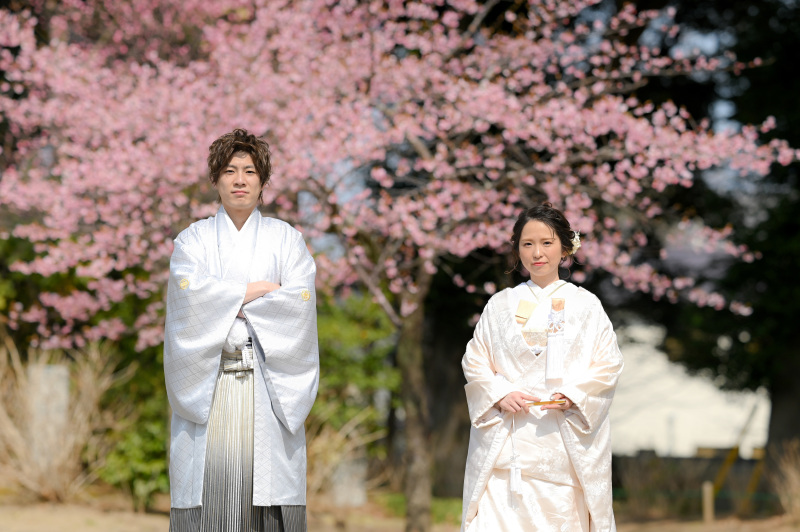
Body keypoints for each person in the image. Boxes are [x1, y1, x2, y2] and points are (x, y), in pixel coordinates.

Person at [164, 129, 319, 532]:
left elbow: (297, 304)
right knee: (212, 482)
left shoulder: (287, 240)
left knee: (265, 490)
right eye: (229, 171)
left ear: (263, 182)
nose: (239, 180)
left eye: (250, 171)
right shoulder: (192, 241)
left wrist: (225, 303)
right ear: (215, 179)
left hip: (269, 387)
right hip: (209, 386)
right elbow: (188, 300)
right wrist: (257, 291)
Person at [460, 203, 623, 531]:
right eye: (527, 243)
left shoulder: (586, 305)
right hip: (506, 447)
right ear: (517, 249)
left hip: (561, 449)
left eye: (547, 243)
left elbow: (608, 365)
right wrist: (500, 393)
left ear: (565, 247)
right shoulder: (499, 305)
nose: (537, 253)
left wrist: (575, 395)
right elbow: (475, 360)